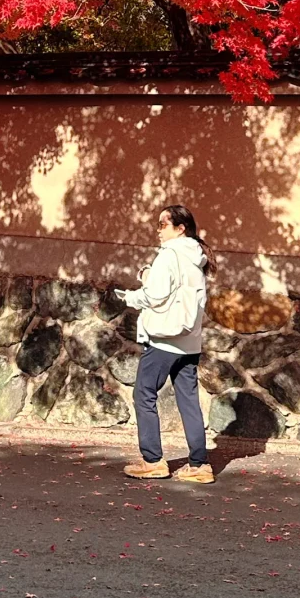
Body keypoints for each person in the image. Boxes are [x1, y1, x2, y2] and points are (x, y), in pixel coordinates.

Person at [116, 204, 217, 484]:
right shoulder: (196, 258)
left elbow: (156, 295)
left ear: (180, 228)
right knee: (188, 400)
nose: (157, 230)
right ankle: (199, 465)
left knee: (144, 394)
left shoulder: (169, 255)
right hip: (189, 341)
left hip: (165, 339)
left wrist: (130, 298)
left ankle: (153, 461)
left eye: (162, 224)